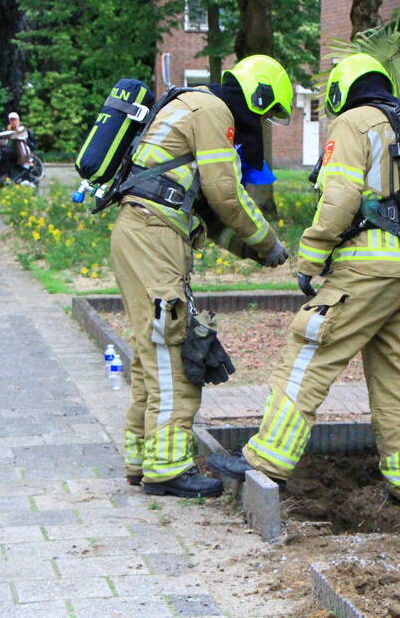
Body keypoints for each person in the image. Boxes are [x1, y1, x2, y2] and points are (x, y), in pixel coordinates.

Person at [209, 53, 400, 508]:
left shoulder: (355, 122)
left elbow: (339, 198)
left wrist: (310, 260)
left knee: (307, 354)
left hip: (366, 270)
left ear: (340, 91)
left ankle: (266, 461)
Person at [111, 54, 293, 498]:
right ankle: (168, 468)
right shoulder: (212, 111)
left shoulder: (193, 104)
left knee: (150, 353)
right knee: (174, 354)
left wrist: (255, 253)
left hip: (141, 230)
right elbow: (226, 194)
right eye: (266, 113)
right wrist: (269, 242)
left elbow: (210, 216)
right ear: (258, 96)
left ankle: (142, 459)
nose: (260, 126)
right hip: (155, 236)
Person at [0, 112, 35, 178]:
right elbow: (4, 138)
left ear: (18, 120)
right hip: (11, 150)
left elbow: (13, 135)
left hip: (21, 151)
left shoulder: (22, 128)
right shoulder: (7, 129)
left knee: (4, 152)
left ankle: (5, 175)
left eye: (15, 119)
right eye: (11, 120)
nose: (13, 121)